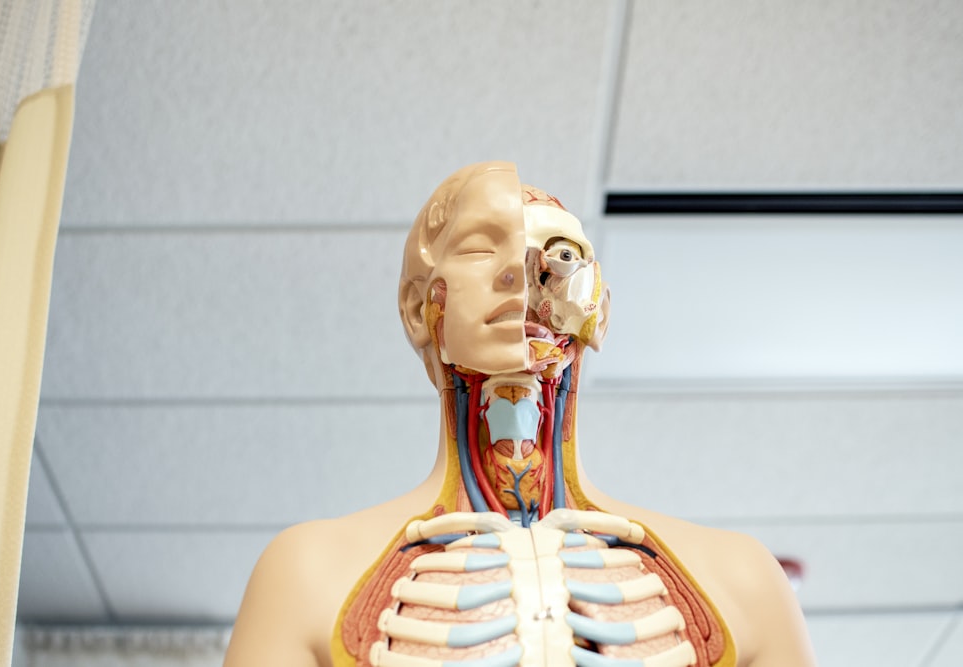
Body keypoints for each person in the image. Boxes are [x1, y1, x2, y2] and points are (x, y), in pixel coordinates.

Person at [223, 162, 816, 667]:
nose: (527, 275)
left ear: (598, 312)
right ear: (417, 308)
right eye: (484, 247)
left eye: (561, 256)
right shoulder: (304, 576)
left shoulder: (745, 581)